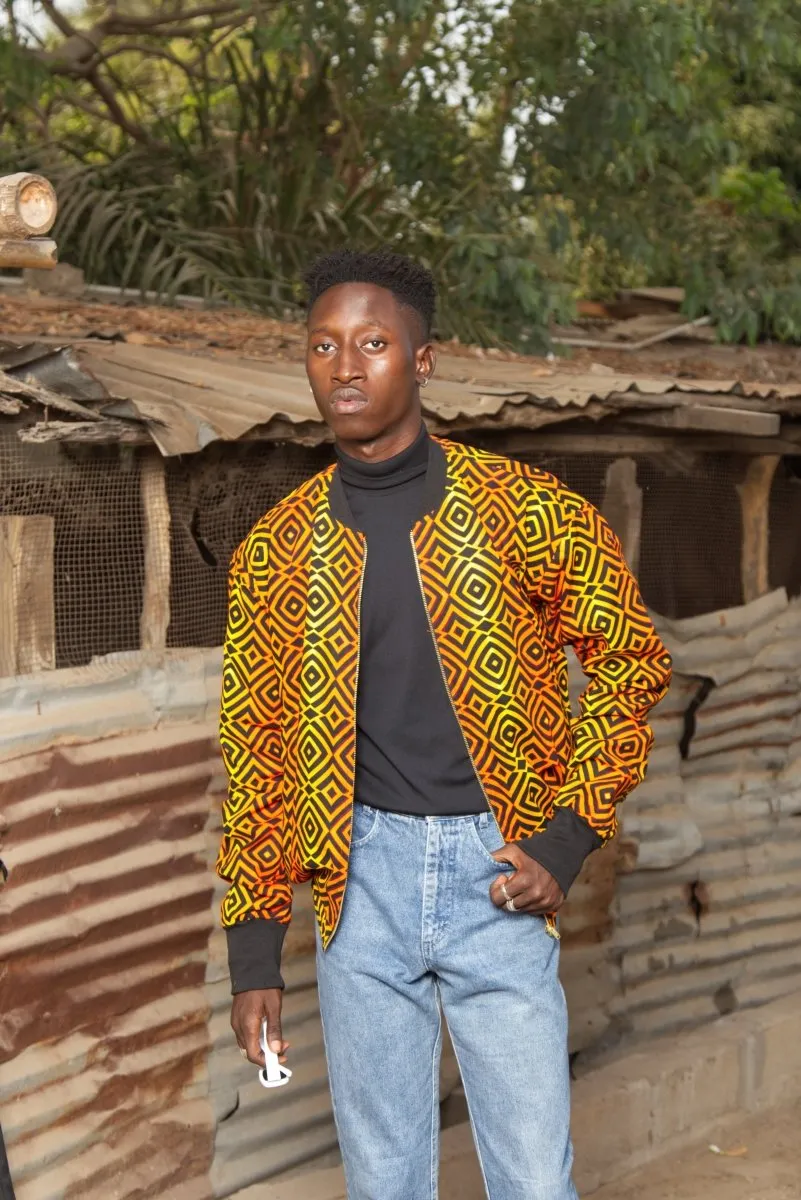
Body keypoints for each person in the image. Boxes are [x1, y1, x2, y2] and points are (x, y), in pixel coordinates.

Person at [217, 248, 672, 1200]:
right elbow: (255, 754)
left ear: (421, 362)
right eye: (323, 346)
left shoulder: (530, 513)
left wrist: (564, 836)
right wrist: (253, 951)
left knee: (532, 1183)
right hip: (356, 886)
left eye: (373, 343)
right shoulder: (277, 551)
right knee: (383, 1184)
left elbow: (633, 663)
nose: (345, 367)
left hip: (499, 874)